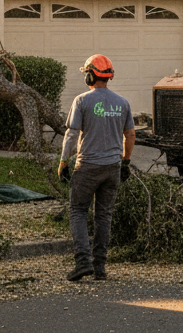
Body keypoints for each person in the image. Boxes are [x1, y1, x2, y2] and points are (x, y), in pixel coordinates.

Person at [58, 54, 136, 281]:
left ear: (91, 75)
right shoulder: (122, 103)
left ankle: (83, 262)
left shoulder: (81, 101)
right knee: (104, 216)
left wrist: (64, 161)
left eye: (86, 73)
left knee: (78, 211)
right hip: (112, 167)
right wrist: (126, 162)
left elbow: (72, 134)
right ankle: (99, 267)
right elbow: (130, 135)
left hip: (88, 166)